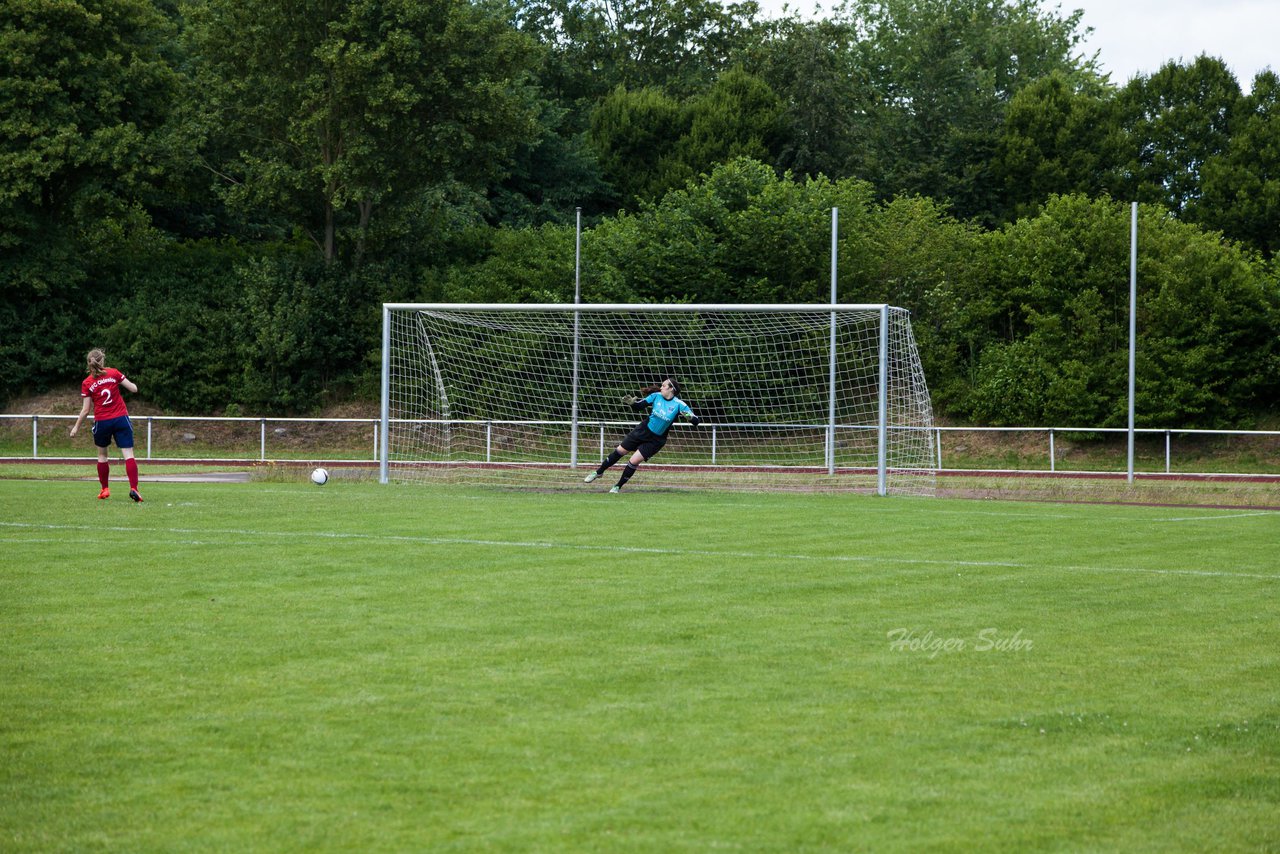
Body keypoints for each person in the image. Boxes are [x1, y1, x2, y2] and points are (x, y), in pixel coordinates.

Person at [584, 377, 700, 493]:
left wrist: (690, 418)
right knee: (620, 451)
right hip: (643, 430)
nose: (661, 388)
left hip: (656, 440)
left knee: (633, 461)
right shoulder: (656, 396)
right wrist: (632, 403)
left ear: (671, 389)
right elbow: (639, 406)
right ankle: (598, 472)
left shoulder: (679, 404)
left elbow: (696, 421)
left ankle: (617, 486)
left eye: (664, 386)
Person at [69, 349, 143, 502]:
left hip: (102, 422)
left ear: (89, 363)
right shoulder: (113, 373)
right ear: (102, 360)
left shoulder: (87, 382)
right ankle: (134, 488)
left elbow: (85, 410)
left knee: (102, 455)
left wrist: (76, 427)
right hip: (120, 419)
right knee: (128, 455)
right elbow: (133, 389)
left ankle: (105, 489)